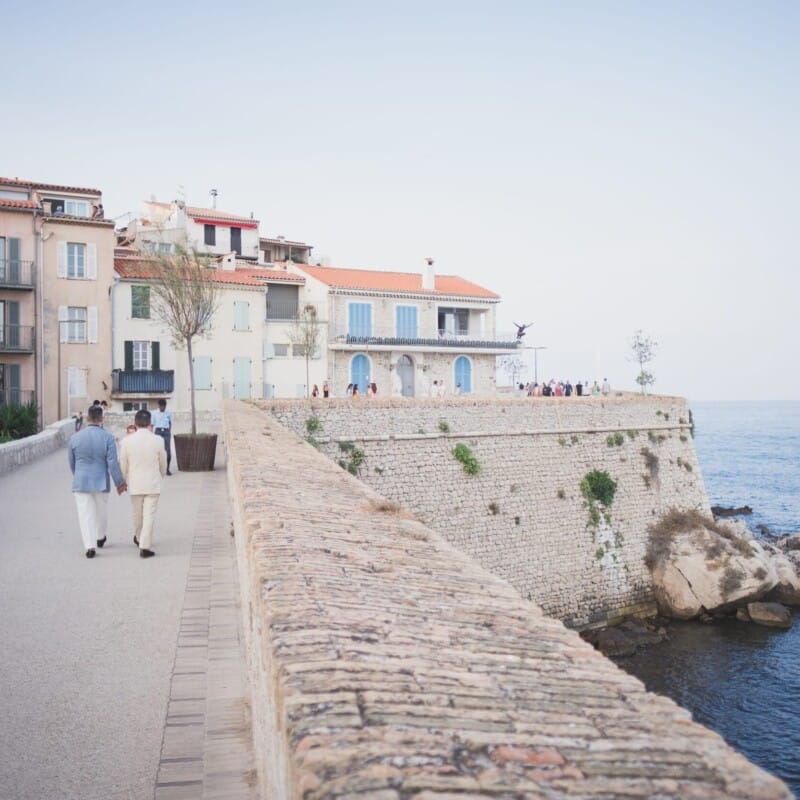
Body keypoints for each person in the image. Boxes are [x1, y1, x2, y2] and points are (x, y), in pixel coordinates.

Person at [68, 404, 127, 558]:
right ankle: (100, 537)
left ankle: (90, 546)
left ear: (87, 418)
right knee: (101, 511)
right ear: (102, 419)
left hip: (81, 480)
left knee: (85, 514)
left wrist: (78, 474)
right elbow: (113, 463)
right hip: (101, 481)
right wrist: (120, 483)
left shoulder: (75, 438)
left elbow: (72, 463)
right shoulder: (108, 438)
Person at [119, 409, 167, 558]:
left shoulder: (126, 441)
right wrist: (161, 474)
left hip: (135, 483)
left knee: (137, 514)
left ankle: (140, 538)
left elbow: (123, 464)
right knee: (149, 515)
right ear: (149, 423)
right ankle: (144, 544)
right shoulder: (158, 440)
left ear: (135, 423)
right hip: (152, 483)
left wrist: (124, 479)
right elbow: (163, 462)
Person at [150, 398, 173, 476]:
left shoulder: (168, 413)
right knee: (157, 451)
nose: (163, 408)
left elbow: (170, 423)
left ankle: (167, 469)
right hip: (158, 431)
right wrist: (151, 434)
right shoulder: (154, 413)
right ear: (159, 406)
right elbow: (152, 424)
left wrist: (169, 431)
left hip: (166, 432)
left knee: (168, 452)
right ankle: (157, 469)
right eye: (161, 406)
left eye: (164, 406)